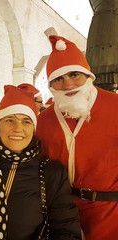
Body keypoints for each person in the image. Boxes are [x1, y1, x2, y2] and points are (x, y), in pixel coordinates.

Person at [0, 85, 81, 240]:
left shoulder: (51, 173)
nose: (18, 128)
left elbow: (66, 230)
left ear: (34, 128)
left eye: (26, 122)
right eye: (9, 120)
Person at [36, 35, 118, 240]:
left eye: (74, 74)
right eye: (59, 79)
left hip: (111, 215)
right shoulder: (43, 120)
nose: (68, 85)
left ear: (88, 75)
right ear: (51, 85)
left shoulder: (115, 107)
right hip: (62, 215)